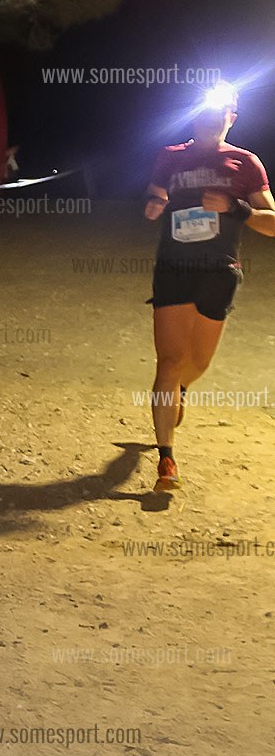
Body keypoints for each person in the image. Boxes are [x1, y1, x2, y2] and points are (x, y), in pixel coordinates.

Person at [144, 83, 275, 492]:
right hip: (174, 267)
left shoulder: (245, 162)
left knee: (196, 362)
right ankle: (166, 458)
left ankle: (182, 388)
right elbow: (156, 192)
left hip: (219, 271)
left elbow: (272, 223)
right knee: (169, 361)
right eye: (203, 113)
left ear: (231, 119)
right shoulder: (170, 156)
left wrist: (236, 208)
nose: (209, 121)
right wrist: (154, 203)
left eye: (219, 115)